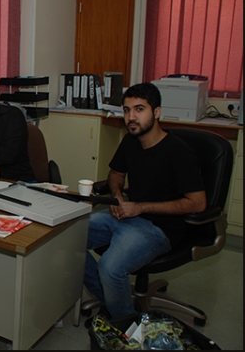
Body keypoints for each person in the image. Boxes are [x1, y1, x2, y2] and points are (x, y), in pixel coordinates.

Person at [83, 82, 206, 321]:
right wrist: (117, 196)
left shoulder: (178, 151)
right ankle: (109, 302)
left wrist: (140, 207)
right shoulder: (131, 140)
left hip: (158, 227)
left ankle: (127, 327)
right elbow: (116, 173)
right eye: (127, 110)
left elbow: (198, 203)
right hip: (124, 214)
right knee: (67, 239)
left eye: (139, 109)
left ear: (157, 112)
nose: (131, 117)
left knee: (110, 268)